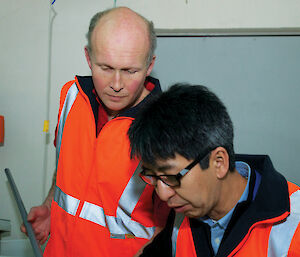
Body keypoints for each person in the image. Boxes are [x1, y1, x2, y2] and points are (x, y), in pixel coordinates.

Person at [21, 7, 169, 257]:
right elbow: (65, 167)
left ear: (149, 65)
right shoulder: (71, 97)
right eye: (106, 68)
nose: (116, 84)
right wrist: (49, 209)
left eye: (130, 71)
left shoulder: (167, 124)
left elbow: (170, 226)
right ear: (88, 58)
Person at [128, 83, 300, 257]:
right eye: (154, 178)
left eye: (170, 177)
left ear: (219, 162)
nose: (163, 195)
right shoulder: (182, 211)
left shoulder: (293, 228)